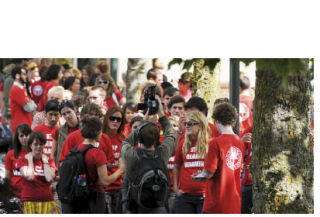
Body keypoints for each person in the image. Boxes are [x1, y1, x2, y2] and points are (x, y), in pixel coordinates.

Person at [121, 95, 176, 214]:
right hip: (159, 206)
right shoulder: (162, 153)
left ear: (139, 138)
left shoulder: (132, 155)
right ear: (157, 139)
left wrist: (143, 122)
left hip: (137, 206)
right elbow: (170, 133)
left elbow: (126, 142)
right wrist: (161, 114)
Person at [66, 116, 125, 213]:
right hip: (94, 199)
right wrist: (121, 170)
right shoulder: (97, 154)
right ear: (97, 132)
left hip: (77, 197)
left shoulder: (76, 150)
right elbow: (105, 181)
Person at [198, 102, 245, 214]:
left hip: (216, 203)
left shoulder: (216, 142)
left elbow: (209, 173)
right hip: (234, 202)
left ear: (217, 120)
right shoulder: (240, 142)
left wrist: (198, 175)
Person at [173, 111, 211, 213]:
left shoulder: (210, 144)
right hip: (184, 196)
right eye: (186, 124)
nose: (187, 126)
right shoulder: (183, 143)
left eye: (190, 124)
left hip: (204, 196)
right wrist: (176, 189)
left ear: (200, 125)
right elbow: (176, 166)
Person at [17, 131, 59, 214]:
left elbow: (49, 178)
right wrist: (30, 160)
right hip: (29, 201)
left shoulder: (50, 161)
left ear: (44, 145)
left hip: (47, 201)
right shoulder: (23, 160)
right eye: (35, 144)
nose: (38, 147)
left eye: (41, 144)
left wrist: (45, 161)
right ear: (30, 146)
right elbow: (29, 176)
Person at [101, 106, 126, 213]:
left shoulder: (123, 139)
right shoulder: (100, 137)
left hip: (120, 186)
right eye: (112, 118)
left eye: (118, 119)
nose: (115, 121)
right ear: (107, 118)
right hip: (104, 187)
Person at [5, 124, 32, 198]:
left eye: (27, 135)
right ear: (17, 138)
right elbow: (7, 177)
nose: (25, 138)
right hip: (15, 194)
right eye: (21, 136)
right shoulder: (10, 154)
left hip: (32, 194)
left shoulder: (36, 154)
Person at [9, 67, 37, 134]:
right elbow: (28, 108)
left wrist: (31, 103)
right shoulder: (16, 89)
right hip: (21, 126)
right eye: (23, 74)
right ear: (17, 76)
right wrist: (34, 105)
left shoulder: (21, 88)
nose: (26, 76)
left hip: (25, 124)